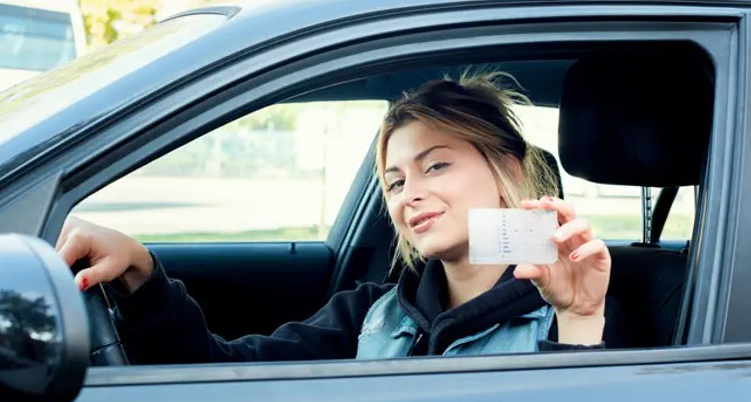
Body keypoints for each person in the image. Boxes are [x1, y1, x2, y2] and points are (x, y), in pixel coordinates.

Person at [58, 73, 613, 364]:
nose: (410, 195)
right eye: (395, 182)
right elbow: (223, 371)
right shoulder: (371, 315)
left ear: (506, 169)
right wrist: (141, 272)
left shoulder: (583, 300)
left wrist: (581, 320)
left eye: (436, 166)